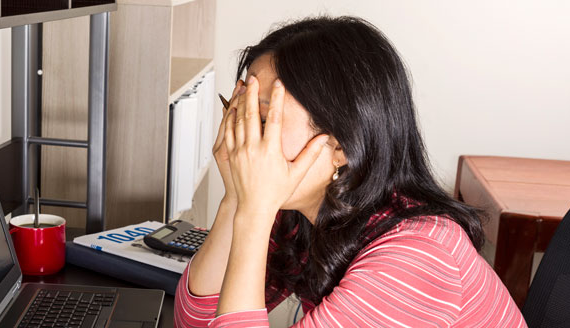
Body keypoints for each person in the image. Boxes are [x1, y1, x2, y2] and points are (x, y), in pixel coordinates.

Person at [174, 16, 525, 327]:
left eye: (262, 119)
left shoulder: (418, 258)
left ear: (340, 145)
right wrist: (235, 199)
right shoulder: (305, 212)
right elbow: (194, 321)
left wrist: (253, 212)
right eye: (239, 113)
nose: (243, 139)